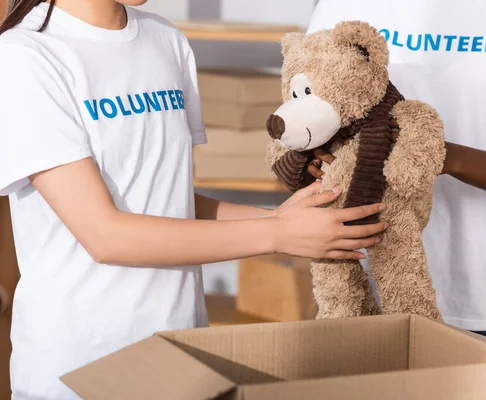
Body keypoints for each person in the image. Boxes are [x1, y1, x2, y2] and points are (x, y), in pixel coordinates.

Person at [0, 1, 389, 398]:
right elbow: (104, 235)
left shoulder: (165, 40)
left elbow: (166, 199)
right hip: (79, 369)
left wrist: (285, 219)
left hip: (178, 354)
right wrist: (277, 234)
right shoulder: (25, 56)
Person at [306, 0, 486, 337]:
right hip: (358, 283)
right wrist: (315, 158)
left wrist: (438, 154)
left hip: (473, 296)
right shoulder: (341, 5)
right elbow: (305, 129)